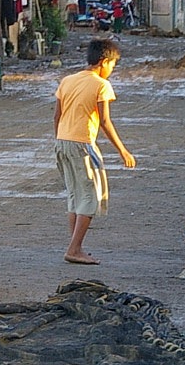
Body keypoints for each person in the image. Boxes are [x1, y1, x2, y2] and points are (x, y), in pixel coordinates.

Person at [54, 38, 136, 265]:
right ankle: (74, 249)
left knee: (75, 195)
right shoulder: (101, 85)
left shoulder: (68, 80)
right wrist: (123, 152)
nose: (112, 70)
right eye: (112, 65)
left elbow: (57, 116)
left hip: (62, 142)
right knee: (92, 195)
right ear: (103, 62)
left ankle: (75, 245)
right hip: (83, 145)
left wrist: (60, 139)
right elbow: (105, 122)